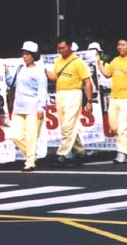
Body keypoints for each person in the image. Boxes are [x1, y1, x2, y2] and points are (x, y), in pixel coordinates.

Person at [45, 37, 92, 167]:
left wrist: (89, 101)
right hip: (60, 94)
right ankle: (80, 152)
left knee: (68, 125)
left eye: (63, 48)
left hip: (74, 93)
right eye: (59, 48)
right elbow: (54, 77)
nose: (60, 50)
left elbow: (87, 82)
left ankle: (63, 154)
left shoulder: (79, 62)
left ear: (70, 46)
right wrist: (44, 70)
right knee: (66, 125)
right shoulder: (58, 61)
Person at [11, 41, 47, 172]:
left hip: (33, 108)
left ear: (34, 56)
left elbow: (42, 90)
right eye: (23, 54)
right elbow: (12, 83)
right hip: (18, 107)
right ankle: (31, 155)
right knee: (16, 136)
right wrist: (6, 74)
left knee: (31, 137)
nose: (24, 56)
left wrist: (41, 107)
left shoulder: (39, 71)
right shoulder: (20, 68)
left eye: (27, 54)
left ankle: (30, 162)